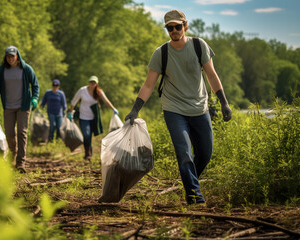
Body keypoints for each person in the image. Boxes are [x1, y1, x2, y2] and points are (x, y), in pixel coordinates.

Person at [125, 9, 232, 205]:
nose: (174, 30)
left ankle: (190, 181)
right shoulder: (161, 53)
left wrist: (224, 102)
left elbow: (211, 75)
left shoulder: (199, 46)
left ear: (185, 26)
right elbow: (148, 84)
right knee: (184, 153)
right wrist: (135, 109)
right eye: (169, 28)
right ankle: (194, 196)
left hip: (200, 108)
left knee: (205, 153)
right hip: (173, 109)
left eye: (177, 26)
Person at [0, 46, 39, 172]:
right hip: (8, 106)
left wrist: (35, 98)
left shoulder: (26, 69)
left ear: (17, 56)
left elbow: (35, 85)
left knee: (22, 132)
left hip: (23, 106)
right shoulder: (1, 70)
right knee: (10, 133)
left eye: (12, 56)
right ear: (5, 57)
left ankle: (21, 162)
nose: (10, 58)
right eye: (8, 56)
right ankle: (13, 153)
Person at [68, 76, 118, 160]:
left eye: (94, 82)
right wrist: (70, 112)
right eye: (91, 82)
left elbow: (106, 101)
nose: (92, 84)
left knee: (89, 136)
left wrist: (113, 109)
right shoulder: (82, 90)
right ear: (88, 82)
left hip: (94, 118)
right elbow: (74, 101)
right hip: (83, 117)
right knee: (86, 134)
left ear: (97, 83)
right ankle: (87, 153)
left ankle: (89, 153)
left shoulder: (99, 92)